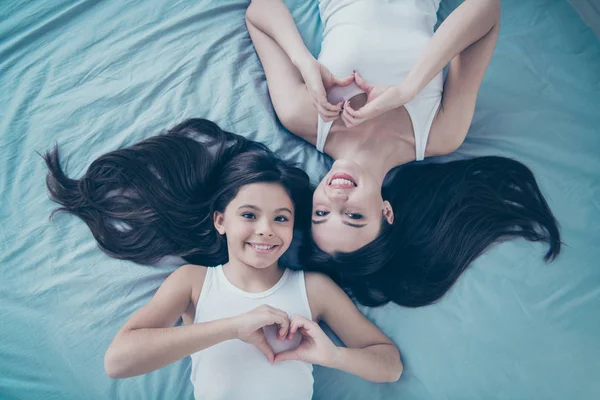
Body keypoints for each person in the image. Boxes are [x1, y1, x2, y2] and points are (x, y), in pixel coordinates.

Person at [44, 119, 402, 400]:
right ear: (220, 221)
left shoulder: (314, 289)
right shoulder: (193, 282)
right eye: (248, 215)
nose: (266, 230)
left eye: (281, 218)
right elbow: (117, 361)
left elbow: (390, 365)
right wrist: (233, 327)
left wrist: (331, 356)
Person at [245, 0, 561, 307]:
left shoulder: (302, 116)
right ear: (387, 212)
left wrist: (303, 61)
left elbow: (260, 10)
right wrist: (408, 89)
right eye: (354, 216)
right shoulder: (438, 135)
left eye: (321, 214)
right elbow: (486, 9)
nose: (336, 199)